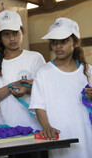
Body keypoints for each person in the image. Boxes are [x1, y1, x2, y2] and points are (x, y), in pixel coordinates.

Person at [29, 17, 92, 158]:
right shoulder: (44, 72)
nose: (58, 46)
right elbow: (39, 106)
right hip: (60, 135)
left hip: (87, 135)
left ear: (76, 42)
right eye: (54, 42)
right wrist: (47, 127)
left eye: (64, 41)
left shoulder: (88, 71)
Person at [0, 10, 45, 130]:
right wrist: (13, 85)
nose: (12, 38)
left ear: (22, 32)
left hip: (37, 127)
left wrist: (26, 90)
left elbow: (46, 89)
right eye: (6, 35)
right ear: (0, 38)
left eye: (15, 33)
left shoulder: (35, 57)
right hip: (10, 129)